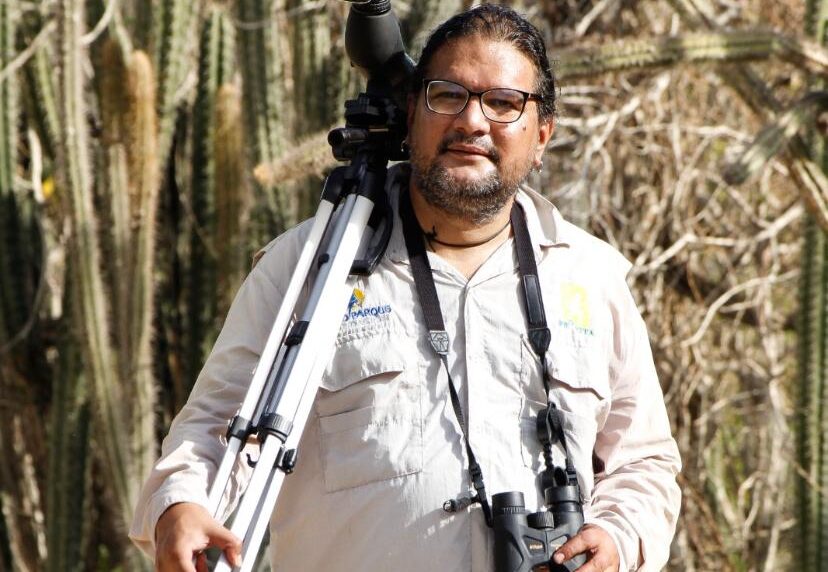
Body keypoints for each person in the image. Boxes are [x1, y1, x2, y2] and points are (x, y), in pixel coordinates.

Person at [130, 5, 681, 571]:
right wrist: (180, 505)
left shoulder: (591, 278)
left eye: (503, 103)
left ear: (542, 136)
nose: (472, 121)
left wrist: (617, 537)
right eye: (448, 95)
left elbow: (644, 463)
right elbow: (215, 425)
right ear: (413, 113)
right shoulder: (312, 266)